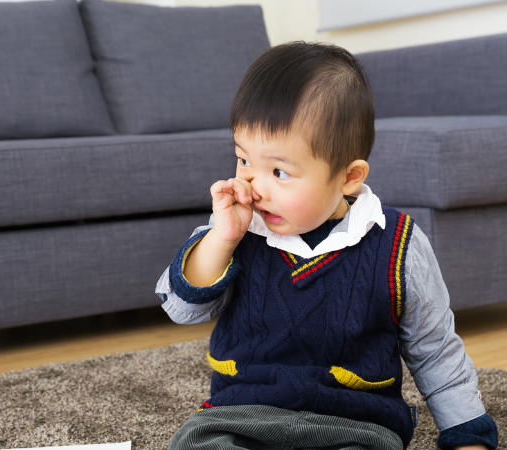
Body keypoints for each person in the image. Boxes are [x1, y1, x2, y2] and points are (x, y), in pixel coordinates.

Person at [155, 41, 498, 450]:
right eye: (244, 160)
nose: (253, 185)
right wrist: (222, 238)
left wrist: (468, 436)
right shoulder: (234, 230)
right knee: (196, 444)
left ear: (349, 177)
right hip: (241, 414)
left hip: (354, 425)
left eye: (279, 171)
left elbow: (435, 350)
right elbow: (180, 307)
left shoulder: (397, 244)